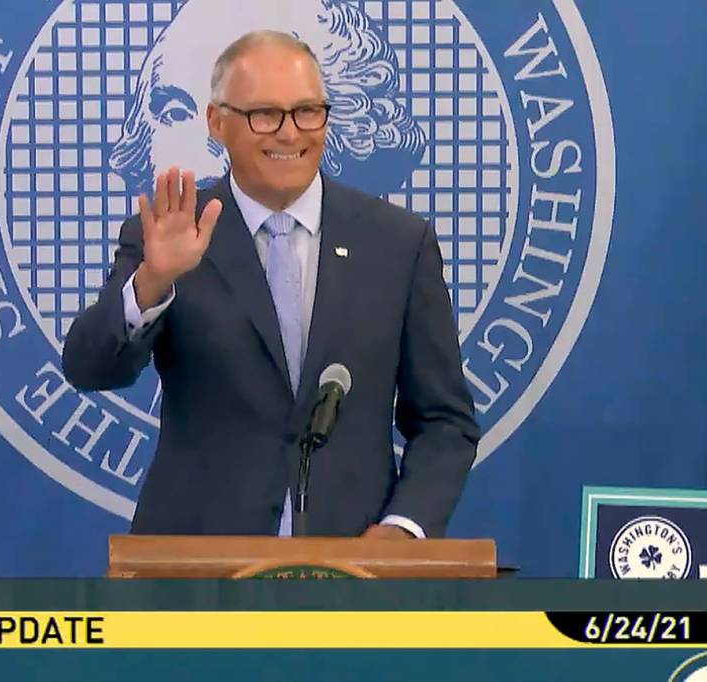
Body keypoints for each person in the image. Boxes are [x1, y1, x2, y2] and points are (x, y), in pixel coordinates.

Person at [63, 30, 479, 539]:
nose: (289, 133)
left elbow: (445, 420)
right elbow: (88, 368)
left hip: (353, 562)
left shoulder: (398, 243)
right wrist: (153, 280)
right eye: (264, 114)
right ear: (217, 122)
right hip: (196, 562)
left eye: (307, 111)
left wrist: (403, 527)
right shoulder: (172, 233)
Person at [107, 0, 425, 197]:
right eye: (176, 114)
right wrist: (155, 279)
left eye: (263, 112)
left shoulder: (401, 245)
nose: (212, 142)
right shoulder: (144, 257)